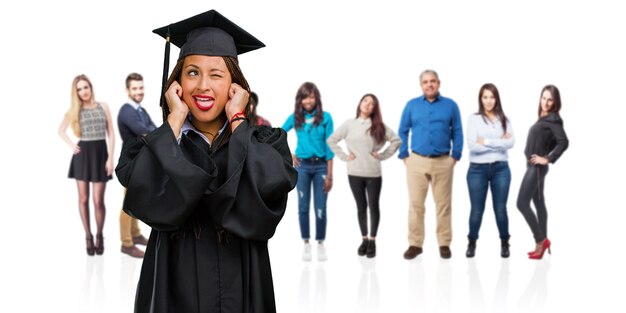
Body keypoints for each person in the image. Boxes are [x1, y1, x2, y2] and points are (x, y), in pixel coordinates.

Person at [115, 10, 297, 312]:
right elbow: (141, 192)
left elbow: (268, 198)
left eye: (216, 74)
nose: (202, 86)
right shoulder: (160, 143)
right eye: (192, 73)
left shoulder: (263, 142)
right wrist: (174, 118)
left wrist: (238, 119)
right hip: (173, 281)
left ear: (234, 86)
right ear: (177, 85)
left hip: (242, 282)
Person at [398, 69, 463, 260]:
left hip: (444, 161)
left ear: (439, 83)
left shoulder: (451, 106)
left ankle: (444, 243)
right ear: (421, 85)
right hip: (416, 161)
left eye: (432, 81)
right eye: (425, 82)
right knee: (416, 205)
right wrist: (405, 156)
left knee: (443, 205)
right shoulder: (411, 105)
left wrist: (455, 157)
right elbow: (402, 131)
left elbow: (457, 132)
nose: (429, 85)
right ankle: (415, 244)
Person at [327, 93, 401, 258]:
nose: (368, 105)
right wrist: (345, 157)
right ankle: (364, 239)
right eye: (366, 101)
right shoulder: (349, 124)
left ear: (375, 109)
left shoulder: (378, 125)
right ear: (360, 103)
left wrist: (381, 155)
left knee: (373, 206)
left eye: (372, 103)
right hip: (354, 172)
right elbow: (331, 140)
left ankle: (373, 240)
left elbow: (396, 140)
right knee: (361, 207)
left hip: (373, 173)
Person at [58, 74, 115, 256]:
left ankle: (99, 235)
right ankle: (88, 236)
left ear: (90, 87)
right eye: (79, 89)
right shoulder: (74, 110)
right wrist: (71, 145)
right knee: (83, 199)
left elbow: (111, 133)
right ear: (76, 92)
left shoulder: (103, 106)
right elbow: (60, 130)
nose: (83, 92)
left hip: (100, 154)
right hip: (83, 156)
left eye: (85, 87)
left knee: (98, 201)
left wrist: (110, 158)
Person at [281, 82, 334, 262]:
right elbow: (280, 134)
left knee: (320, 207)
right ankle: (306, 243)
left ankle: (320, 243)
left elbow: (329, 147)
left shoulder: (326, 118)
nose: (308, 101)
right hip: (302, 167)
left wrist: (330, 175)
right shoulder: (296, 118)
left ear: (316, 98)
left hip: (320, 166)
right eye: (305, 97)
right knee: (303, 207)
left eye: (311, 97)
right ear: (300, 100)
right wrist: (290, 154)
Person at [517, 85, 568, 260]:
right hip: (533, 166)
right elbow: (551, 140)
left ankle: (541, 240)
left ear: (555, 102)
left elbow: (563, 142)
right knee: (538, 202)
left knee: (521, 203)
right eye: (543, 98)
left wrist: (547, 158)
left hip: (537, 168)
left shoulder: (553, 119)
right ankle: (542, 243)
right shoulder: (544, 118)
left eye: (550, 99)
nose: (545, 102)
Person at [465, 83, 515, 258]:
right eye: (485, 97)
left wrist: (484, 141)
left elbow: (510, 143)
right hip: (477, 170)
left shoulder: (504, 119)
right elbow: (472, 145)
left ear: (497, 99)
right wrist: (497, 142)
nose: (488, 101)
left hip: (501, 169)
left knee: (500, 209)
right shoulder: (474, 119)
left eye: (491, 97)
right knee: (476, 210)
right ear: (480, 99)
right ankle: (471, 242)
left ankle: (505, 243)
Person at [116, 72, 155, 258]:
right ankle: (126, 242)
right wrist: (153, 133)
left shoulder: (140, 110)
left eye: (141, 88)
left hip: (141, 160)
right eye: (135, 88)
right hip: (131, 161)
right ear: (127, 90)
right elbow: (144, 131)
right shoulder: (126, 111)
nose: (139, 91)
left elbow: (154, 128)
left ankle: (136, 233)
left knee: (136, 196)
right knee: (128, 202)